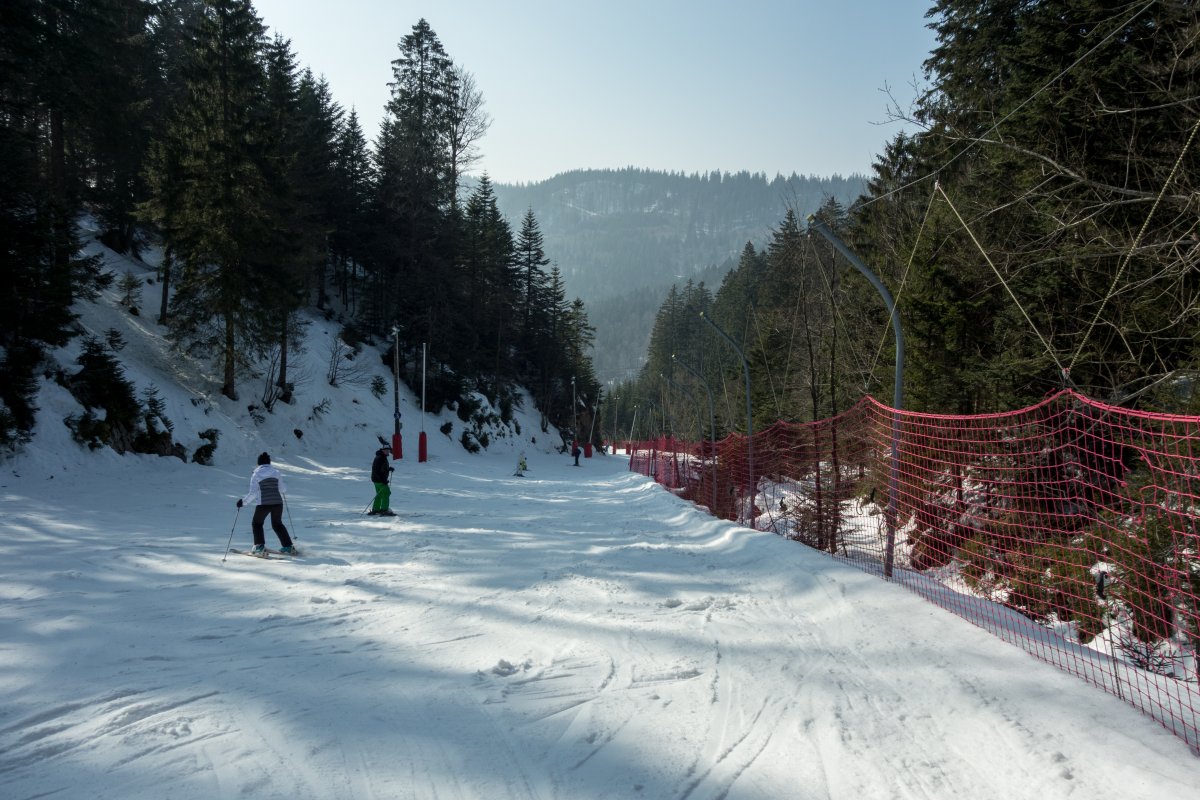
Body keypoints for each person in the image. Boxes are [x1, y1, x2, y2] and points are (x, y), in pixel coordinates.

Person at [237, 452, 295, 555]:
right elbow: (283, 489)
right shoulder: (276, 472)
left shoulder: (256, 474)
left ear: (259, 463)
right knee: (277, 524)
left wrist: (243, 502)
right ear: (269, 463)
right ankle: (288, 547)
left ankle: (259, 547)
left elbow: (253, 493)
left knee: (257, 523)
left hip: (263, 503)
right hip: (278, 503)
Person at [370, 447, 395, 516]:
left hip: (376, 479)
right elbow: (378, 471)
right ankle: (384, 510)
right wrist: (383, 480)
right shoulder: (381, 458)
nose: (388, 452)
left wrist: (388, 469)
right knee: (386, 493)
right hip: (379, 480)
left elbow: (381, 469)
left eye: (388, 450)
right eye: (386, 450)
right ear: (382, 450)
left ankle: (376, 509)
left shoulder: (380, 456)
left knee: (379, 494)